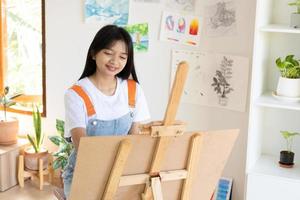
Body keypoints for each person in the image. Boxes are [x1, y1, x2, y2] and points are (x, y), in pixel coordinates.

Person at [62, 25, 150, 198]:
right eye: (108, 53)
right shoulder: (76, 94)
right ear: (94, 53)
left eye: (122, 56)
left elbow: (135, 137)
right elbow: (83, 146)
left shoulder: (134, 90)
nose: (115, 61)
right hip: (84, 173)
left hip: (121, 172)